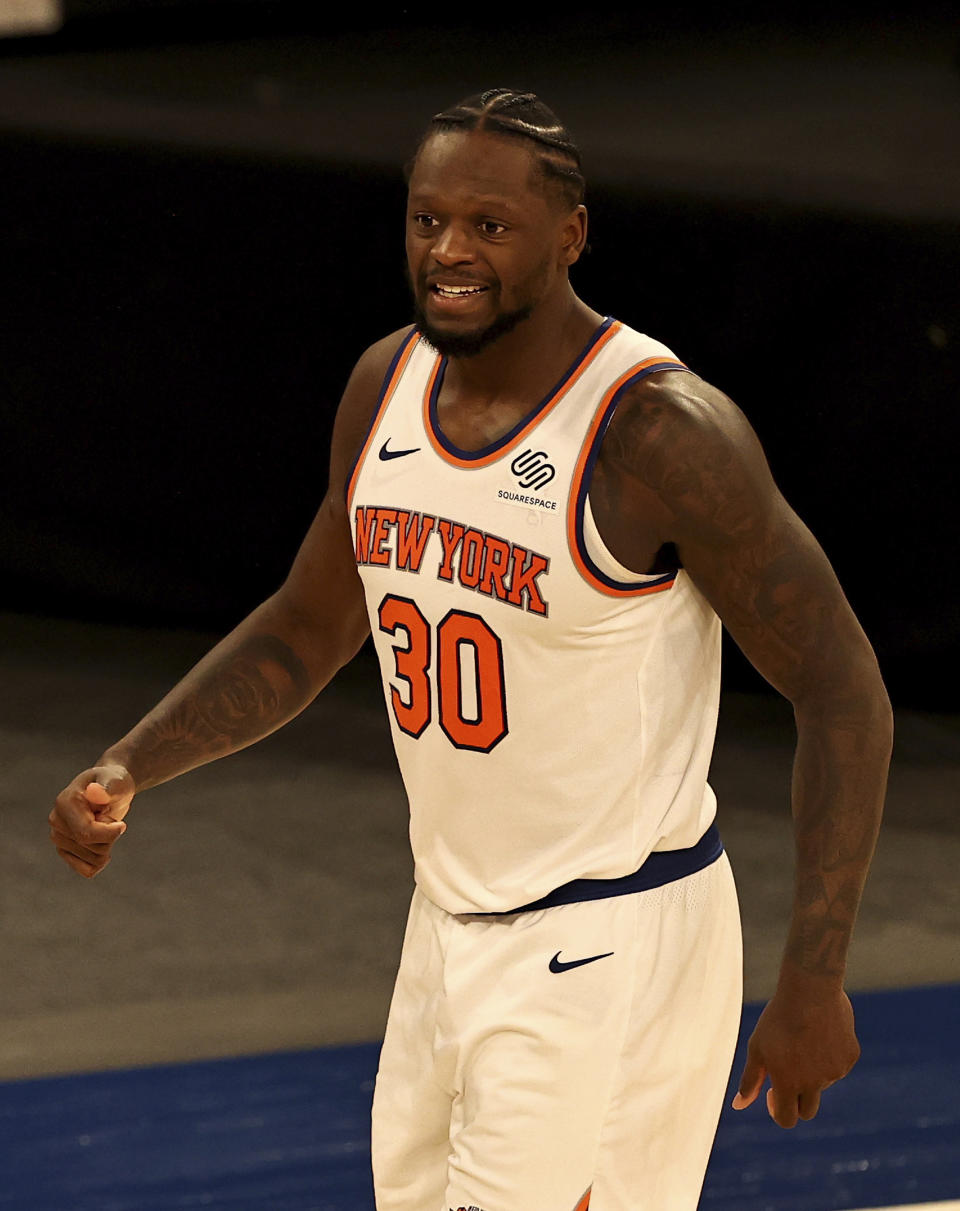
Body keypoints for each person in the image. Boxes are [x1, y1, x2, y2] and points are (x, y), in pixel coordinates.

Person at [49, 89, 893, 1211]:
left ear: (569, 235)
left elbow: (844, 691)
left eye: (489, 226)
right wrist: (130, 762)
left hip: (612, 934)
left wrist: (813, 979)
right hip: (446, 926)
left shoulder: (656, 432)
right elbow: (311, 621)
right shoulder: (384, 384)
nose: (448, 250)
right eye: (426, 219)